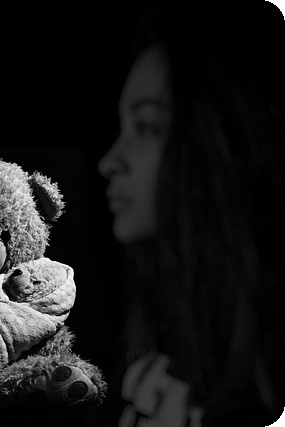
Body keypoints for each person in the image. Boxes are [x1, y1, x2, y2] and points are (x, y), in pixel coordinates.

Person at [98, 3, 285, 427]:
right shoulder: (148, 319)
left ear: (215, 140)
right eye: (123, 127)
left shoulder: (262, 363)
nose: (109, 161)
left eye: (146, 128)